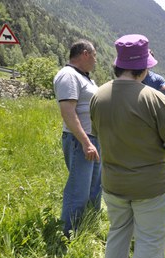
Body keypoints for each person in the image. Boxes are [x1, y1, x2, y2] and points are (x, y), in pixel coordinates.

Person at [89, 34, 165, 258]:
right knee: (149, 240)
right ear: (143, 69)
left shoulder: (98, 96)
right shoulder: (153, 97)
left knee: (118, 232)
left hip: (113, 183)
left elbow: (98, 133)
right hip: (151, 185)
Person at [53, 39, 101, 238]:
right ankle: (69, 234)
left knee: (95, 187)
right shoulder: (69, 76)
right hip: (80, 141)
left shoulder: (85, 78)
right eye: (95, 56)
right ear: (85, 53)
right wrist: (86, 143)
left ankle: (89, 226)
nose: (96, 61)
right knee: (78, 190)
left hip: (93, 139)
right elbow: (68, 112)